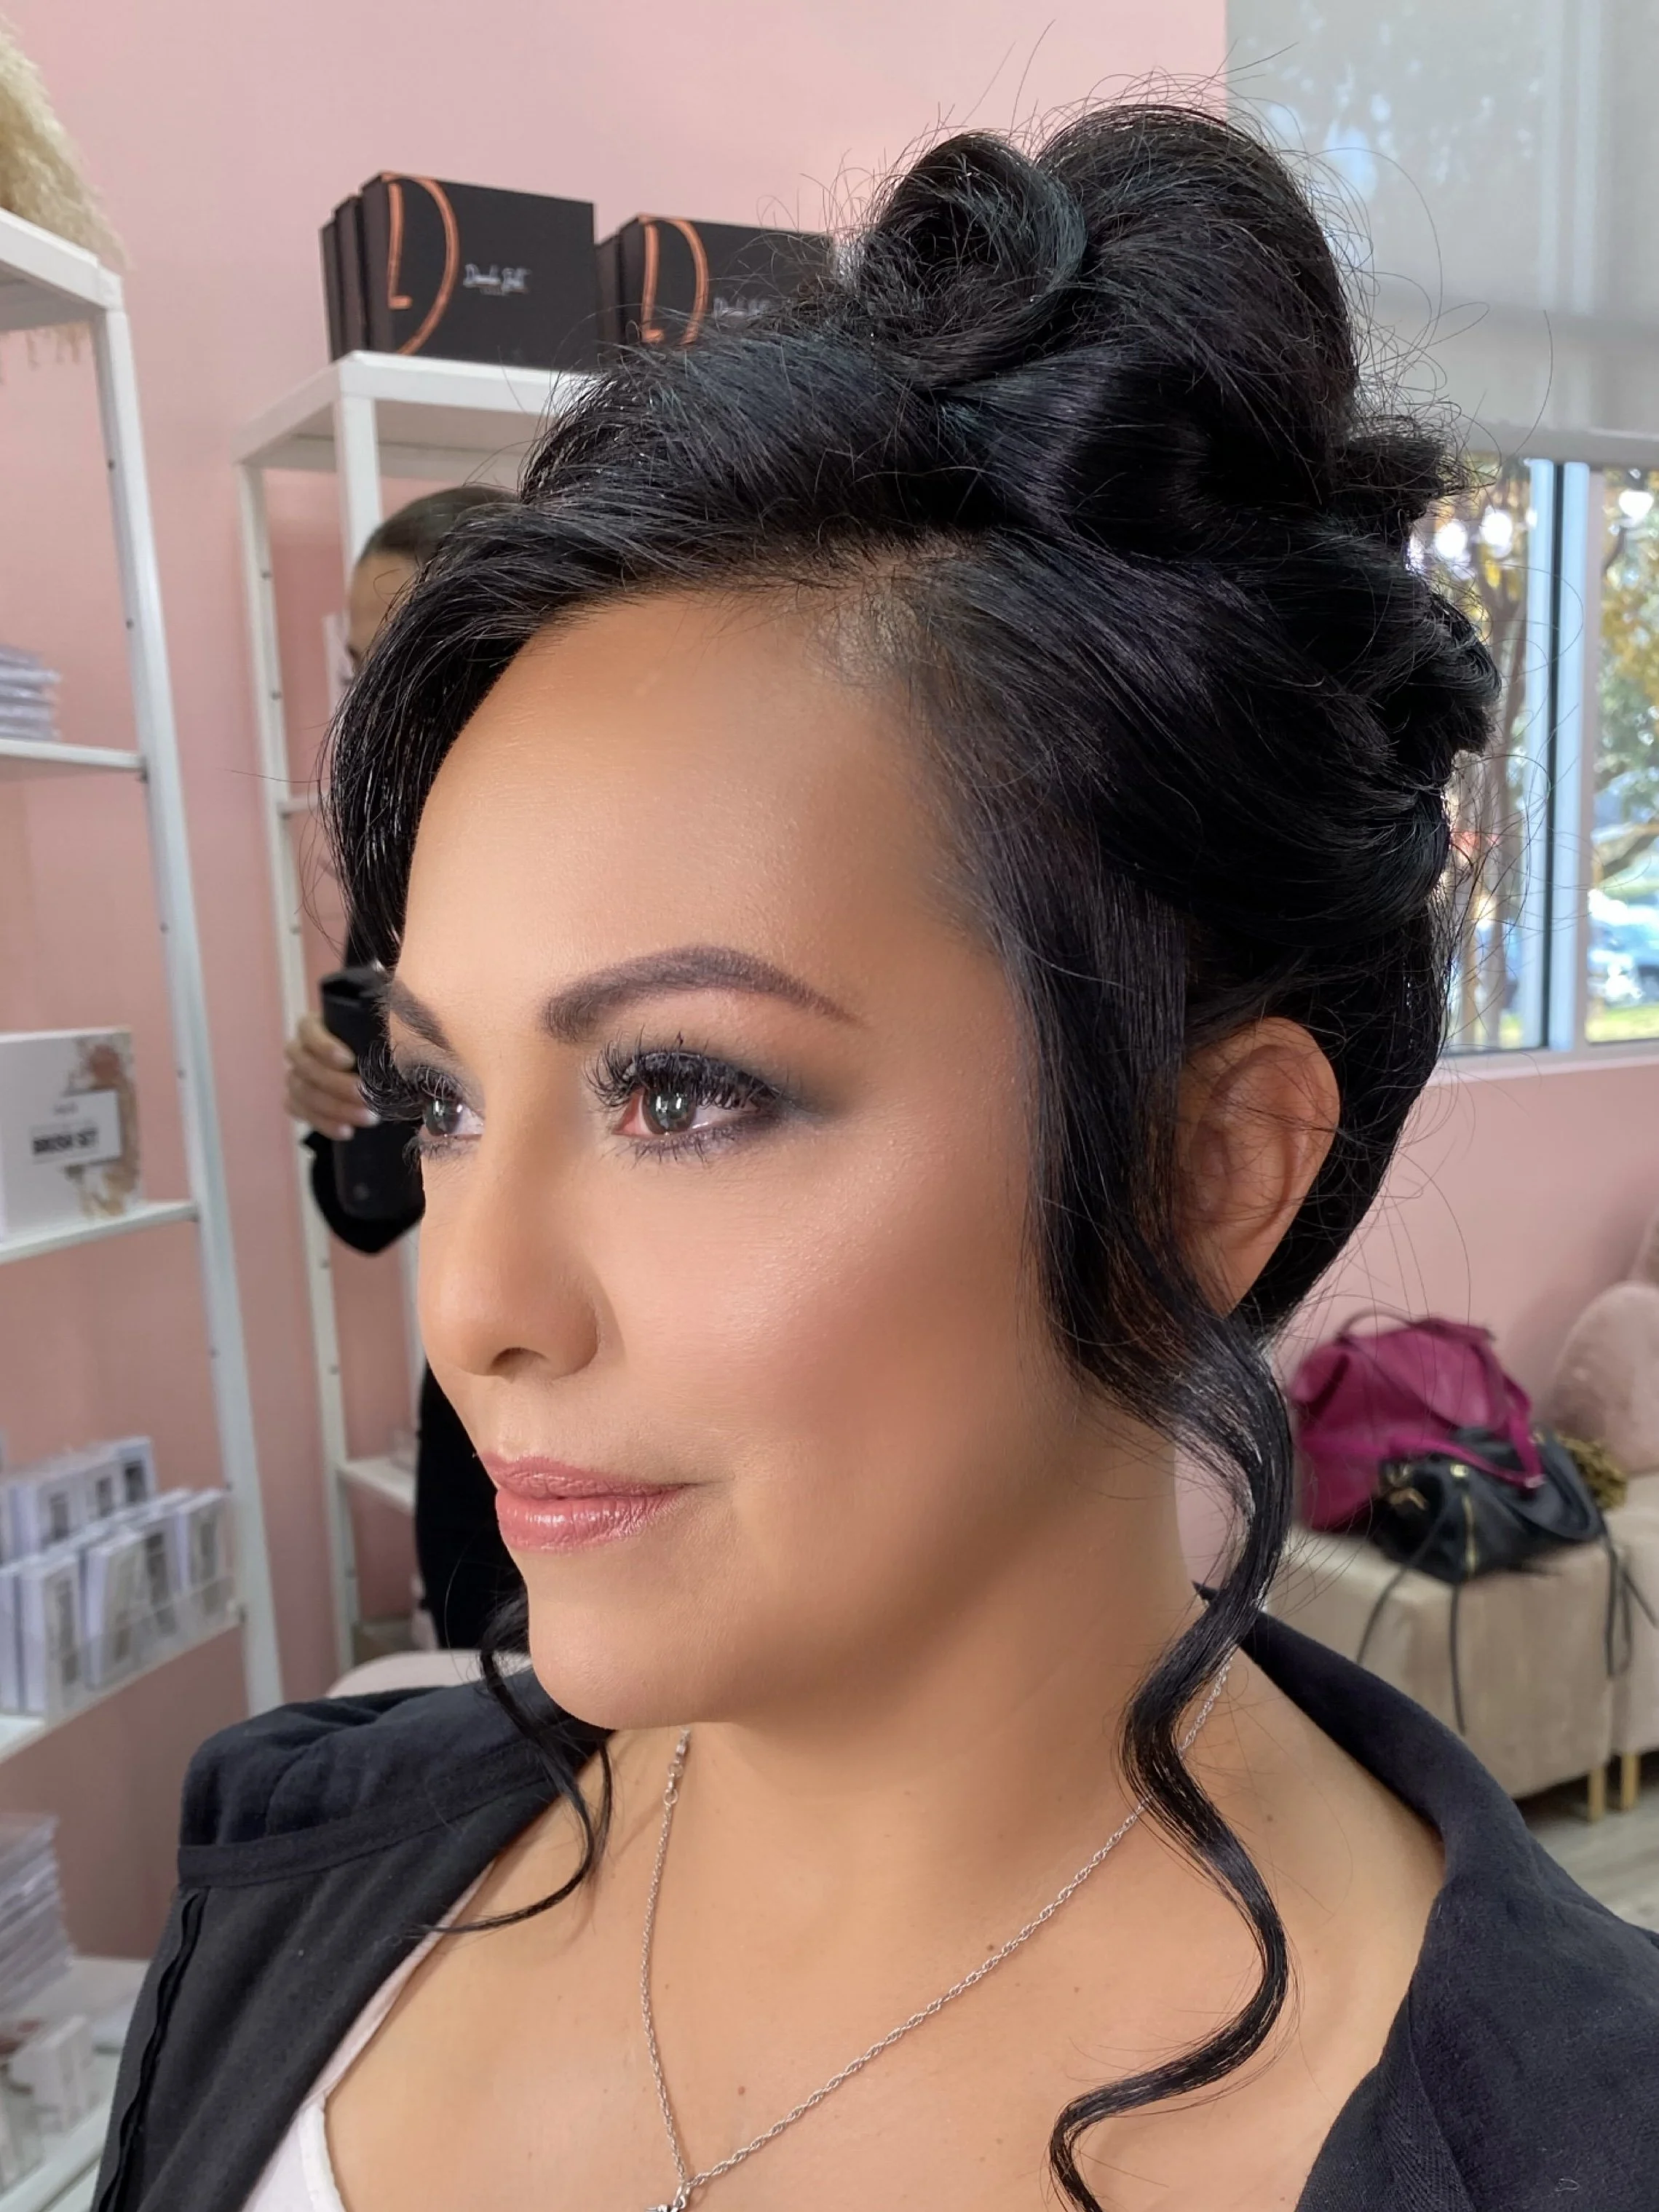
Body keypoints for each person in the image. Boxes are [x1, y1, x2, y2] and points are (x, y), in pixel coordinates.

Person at [104, 107, 1659, 2212]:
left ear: (1212, 1164)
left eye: (679, 1090)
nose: (472, 1305)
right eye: (446, 1095)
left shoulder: (1554, 2144)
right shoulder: (290, 1876)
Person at [282, 484, 519, 1648]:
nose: (374, 698)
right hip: (473, 1399)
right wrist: (341, 1114)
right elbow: (369, 1219)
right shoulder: (400, 881)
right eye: (362, 661)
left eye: (410, 652)